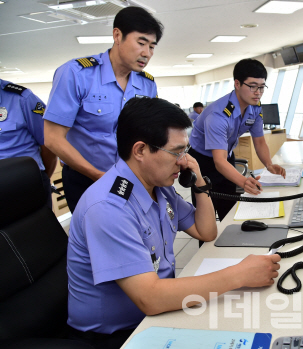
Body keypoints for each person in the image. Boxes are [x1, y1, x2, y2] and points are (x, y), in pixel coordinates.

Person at [66, 97, 281, 349]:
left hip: (156, 314)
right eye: (176, 152)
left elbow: (206, 231)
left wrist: (199, 181)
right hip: (120, 335)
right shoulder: (108, 208)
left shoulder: (158, 187)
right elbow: (151, 299)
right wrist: (239, 275)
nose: (183, 161)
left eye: (185, 151)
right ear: (140, 150)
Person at [43, 6, 163, 213]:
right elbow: (53, 138)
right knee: (97, 241)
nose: (147, 53)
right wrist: (97, 175)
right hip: (86, 178)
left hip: (132, 177)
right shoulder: (76, 74)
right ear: (117, 35)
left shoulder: (147, 84)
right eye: (141, 43)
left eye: (152, 46)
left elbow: (149, 133)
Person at [188, 59, 286, 221]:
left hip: (225, 156)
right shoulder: (218, 115)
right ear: (237, 84)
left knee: (230, 210)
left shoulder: (254, 107)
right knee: (207, 216)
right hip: (202, 162)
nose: (258, 92)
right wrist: (244, 181)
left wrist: (269, 164)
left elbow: (259, 141)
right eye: (253, 86)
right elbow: (218, 161)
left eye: (262, 87)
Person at [0, 79, 57, 209]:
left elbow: (49, 143)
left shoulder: (22, 98)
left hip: (24, 183)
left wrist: (39, 179)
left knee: (37, 227)